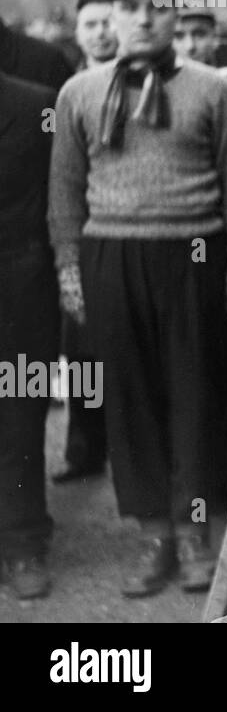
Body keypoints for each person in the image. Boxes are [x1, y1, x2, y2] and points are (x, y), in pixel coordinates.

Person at [47, 0, 227, 597]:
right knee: (131, 398)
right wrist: (69, 269)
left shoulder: (213, 90)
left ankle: (195, 532)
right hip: (110, 253)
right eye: (130, 8)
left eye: (156, 7)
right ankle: (153, 535)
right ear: (112, 16)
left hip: (195, 250)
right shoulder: (80, 93)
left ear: (175, 16)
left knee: (194, 393)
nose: (143, 19)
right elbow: (65, 189)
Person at [50, 0, 116, 487]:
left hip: (125, 230)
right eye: (90, 24)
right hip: (84, 231)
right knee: (83, 352)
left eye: (106, 22)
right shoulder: (67, 89)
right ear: (78, 32)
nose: (100, 32)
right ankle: (85, 446)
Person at [0, 71, 60, 599]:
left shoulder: (38, 104)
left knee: (20, 417)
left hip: (22, 294)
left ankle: (23, 543)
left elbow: (57, 196)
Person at [73, 0, 118, 67]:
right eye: (90, 25)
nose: (100, 32)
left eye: (107, 24)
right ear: (77, 35)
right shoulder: (66, 77)